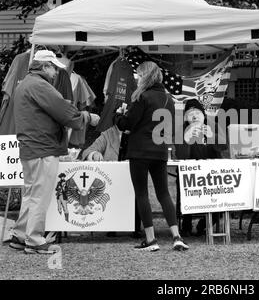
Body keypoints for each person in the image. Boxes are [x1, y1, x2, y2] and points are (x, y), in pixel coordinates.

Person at [9, 50, 100, 254]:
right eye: (53, 68)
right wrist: (86, 117)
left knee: (31, 194)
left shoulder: (25, 83)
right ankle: (34, 240)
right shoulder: (40, 85)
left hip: (30, 147)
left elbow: (52, 107)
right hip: (43, 147)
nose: (56, 73)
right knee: (40, 195)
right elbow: (63, 111)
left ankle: (20, 235)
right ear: (44, 66)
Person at [115, 61, 188, 251]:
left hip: (140, 150)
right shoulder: (168, 99)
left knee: (142, 194)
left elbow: (128, 124)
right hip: (161, 149)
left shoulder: (142, 97)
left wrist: (119, 116)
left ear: (145, 76)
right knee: (164, 193)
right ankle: (177, 236)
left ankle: (151, 240)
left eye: (138, 74)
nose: (136, 77)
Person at [81, 123, 143, 238]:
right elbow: (87, 151)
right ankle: (112, 226)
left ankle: (136, 228)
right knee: (109, 194)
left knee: (138, 194)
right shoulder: (108, 134)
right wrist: (94, 154)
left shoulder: (140, 131)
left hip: (133, 175)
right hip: (112, 180)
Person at [175, 99, 221, 237]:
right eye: (190, 113)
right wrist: (186, 140)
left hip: (211, 173)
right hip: (190, 172)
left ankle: (205, 224)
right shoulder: (181, 130)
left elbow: (224, 149)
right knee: (184, 186)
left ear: (203, 114)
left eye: (197, 113)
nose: (194, 116)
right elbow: (180, 155)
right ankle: (186, 223)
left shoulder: (213, 126)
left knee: (223, 192)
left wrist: (212, 137)